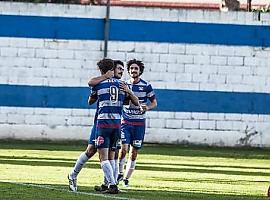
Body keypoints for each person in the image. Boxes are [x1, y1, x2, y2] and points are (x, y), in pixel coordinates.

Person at [67, 60, 122, 192]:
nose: (120, 71)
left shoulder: (119, 85)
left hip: (112, 124)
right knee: (91, 151)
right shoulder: (100, 83)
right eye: (119, 69)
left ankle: (108, 184)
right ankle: (73, 175)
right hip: (100, 124)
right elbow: (90, 100)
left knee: (110, 154)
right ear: (111, 70)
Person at [91, 58, 141, 194]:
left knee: (103, 157)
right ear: (113, 69)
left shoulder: (100, 84)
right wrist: (129, 92)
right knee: (112, 156)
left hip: (103, 124)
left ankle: (112, 185)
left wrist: (103, 78)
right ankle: (109, 184)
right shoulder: (122, 85)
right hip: (118, 125)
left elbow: (90, 90)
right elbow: (136, 103)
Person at [117, 59, 157, 187]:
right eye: (131, 68)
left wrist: (147, 107)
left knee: (134, 152)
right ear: (128, 71)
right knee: (124, 148)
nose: (133, 70)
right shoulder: (123, 85)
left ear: (140, 71)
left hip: (139, 124)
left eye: (136, 69)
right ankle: (119, 173)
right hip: (125, 122)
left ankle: (127, 179)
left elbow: (154, 103)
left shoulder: (146, 86)